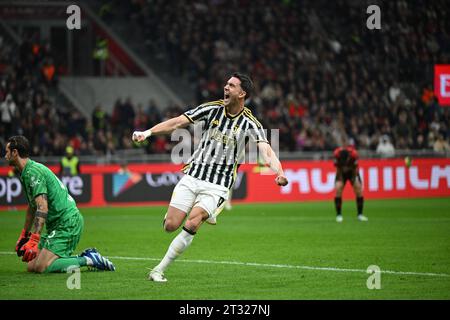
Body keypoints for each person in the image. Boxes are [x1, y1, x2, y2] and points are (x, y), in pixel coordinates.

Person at [132, 72, 288, 282]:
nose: (226, 87)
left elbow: (266, 150)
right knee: (170, 226)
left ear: (242, 93)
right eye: (226, 84)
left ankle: (158, 270)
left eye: (231, 86)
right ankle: (195, 214)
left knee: (194, 221)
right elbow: (178, 122)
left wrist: (279, 172)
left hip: (218, 185)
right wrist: (148, 133)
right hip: (193, 175)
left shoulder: (250, 123)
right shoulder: (211, 108)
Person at [4, 135, 115, 273]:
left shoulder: (32, 173)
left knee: (41, 267)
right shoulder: (27, 171)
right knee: (31, 266)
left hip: (67, 223)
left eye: (7, 151)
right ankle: (68, 259)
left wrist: (34, 238)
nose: (5, 155)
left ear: (15, 152)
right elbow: (32, 206)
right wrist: (24, 234)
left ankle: (89, 259)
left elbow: (42, 207)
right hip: (55, 225)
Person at [333, 144, 368, 222]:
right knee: (338, 189)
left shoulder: (354, 154)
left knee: (358, 189)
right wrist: (339, 179)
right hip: (341, 172)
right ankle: (339, 215)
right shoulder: (337, 154)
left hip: (352, 172)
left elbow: (356, 168)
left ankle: (360, 215)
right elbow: (337, 168)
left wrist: (355, 179)